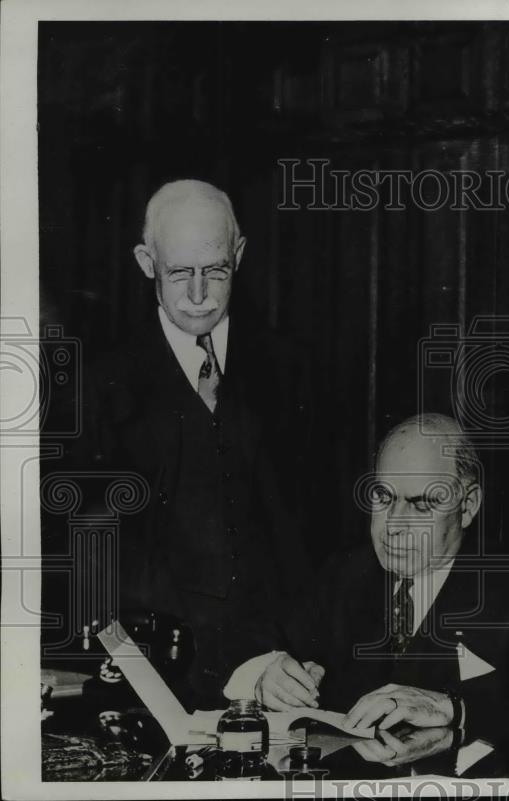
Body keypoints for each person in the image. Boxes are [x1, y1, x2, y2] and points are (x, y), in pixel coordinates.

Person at [222, 414, 509, 770]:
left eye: (422, 504)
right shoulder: (346, 574)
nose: (393, 525)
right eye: (383, 496)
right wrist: (264, 673)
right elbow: (242, 639)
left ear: (467, 506)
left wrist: (456, 713)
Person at [73, 179, 313, 707]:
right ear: (145, 261)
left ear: (240, 255)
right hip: (159, 677)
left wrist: (294, 650)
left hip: (286, 671)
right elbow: (102, 566)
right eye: (180, 272)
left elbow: (307, 540)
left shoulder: (288, 368)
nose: (199, 294)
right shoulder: (101, 387)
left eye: (217, 270)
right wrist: (233, 660)